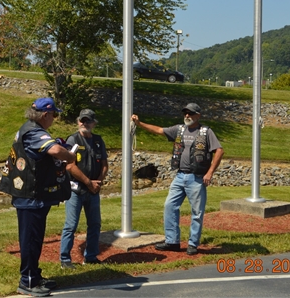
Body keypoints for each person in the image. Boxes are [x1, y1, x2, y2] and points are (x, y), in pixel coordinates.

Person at [0, 97, 76, 297]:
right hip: (30, 197)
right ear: (45, 115)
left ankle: (34, 275)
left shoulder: (30, 129)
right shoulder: (33, 131)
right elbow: (55, 150)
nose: (54, 119)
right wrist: (70, 155)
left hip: (32, 195)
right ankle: (28, 282)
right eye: (54, 115)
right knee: (30, 240)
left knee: (34, 239)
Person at [131, 103, 224, 256]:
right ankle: (172, 241)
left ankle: (193, 244)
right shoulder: (179, 130)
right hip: (180, 176)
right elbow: (160, 130)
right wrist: (139, 124)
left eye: (191, 113)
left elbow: (219, 151)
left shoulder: (206, 132)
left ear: (198, 115)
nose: (187, 116)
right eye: (185, 113)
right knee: (170, 206)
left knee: (197, 212)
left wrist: (210, 173)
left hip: (197, 178)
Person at [59, 109, 109, 269]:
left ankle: (91, 257)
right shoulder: (73, 140)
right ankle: (65, 259)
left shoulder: (98, 141)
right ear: (78, 121)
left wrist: (98, 183)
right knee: (71, 225)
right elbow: (69, 166)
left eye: (88, 121)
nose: (84, 123)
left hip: (93, 190)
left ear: (94, 123)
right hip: (76, 190)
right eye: (82, 120)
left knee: (95, 225)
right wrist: (89, 183)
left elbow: (105, 165)